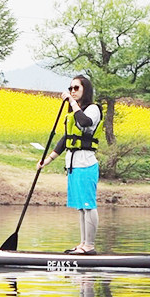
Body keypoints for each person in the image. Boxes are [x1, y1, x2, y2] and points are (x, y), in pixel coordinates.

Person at [38, 75, 103, 255]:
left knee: (88, 205)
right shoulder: (74, 112)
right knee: (81, 207)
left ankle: (89, 246)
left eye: (76, 88)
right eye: (71, 88)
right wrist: (48, 159)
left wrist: (72, 103)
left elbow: (85, 123)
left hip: (86, 163)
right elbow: (66, 138)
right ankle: (83, 244)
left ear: (85, 90)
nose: (72, 91)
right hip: (73, 166)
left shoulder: (93, 109)